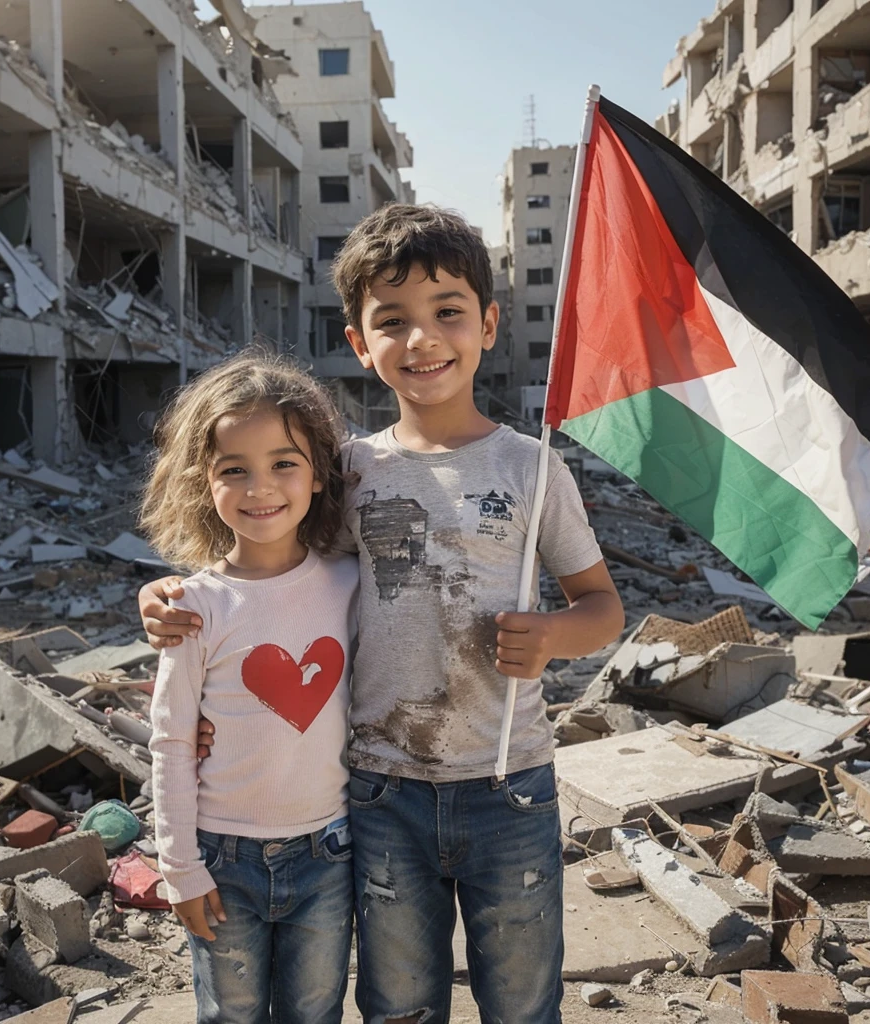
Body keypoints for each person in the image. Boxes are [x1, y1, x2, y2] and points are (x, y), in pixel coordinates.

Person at [140, 205, 625, 1024]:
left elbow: (602, 607)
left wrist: (555, 636)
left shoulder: (532, 467)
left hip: (511, 787)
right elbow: (274, 567)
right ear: (360, 343)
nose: (422, 339)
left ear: (489, 324)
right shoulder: (353, 470)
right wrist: (165, 596)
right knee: (398, 1002)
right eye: (391, 321)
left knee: (523, 1000)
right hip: (380, 791)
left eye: (447, 314)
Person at [140, 352, 358, 1024]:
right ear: (203, 484)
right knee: (229, 1015)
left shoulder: (351, 583)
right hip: (222, 856)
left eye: (283, 463)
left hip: (330, 851)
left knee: (315, 1012)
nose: (260, 487)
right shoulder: (194, 608)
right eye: (234, 469)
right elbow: (172, 740)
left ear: (319, 473)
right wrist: (180, 868)